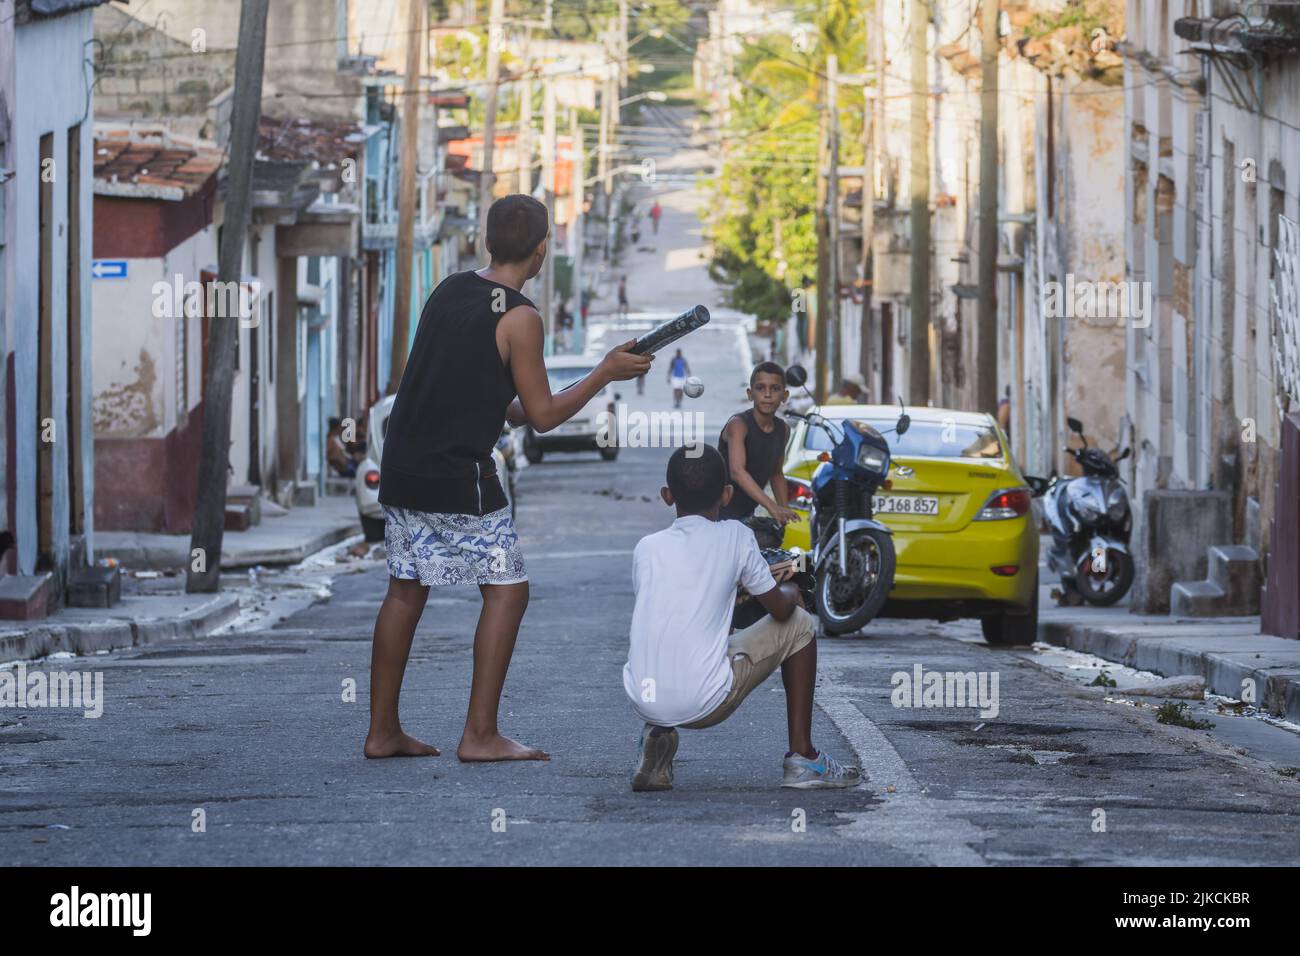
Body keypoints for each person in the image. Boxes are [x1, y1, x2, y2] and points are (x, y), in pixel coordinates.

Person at [366, 194, 651, 763]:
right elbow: (544, 417)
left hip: (402, 464)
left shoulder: (449, 290)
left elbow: (510, 405)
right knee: (508, 592)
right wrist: (604, 372)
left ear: (487, 241)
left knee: (404, 589)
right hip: (457, 473)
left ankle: (383, 731)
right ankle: (479, 735)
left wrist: (568, 386)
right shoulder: (521, 317)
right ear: (542, 249)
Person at [623, 445, 862, 792]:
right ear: (726, 494)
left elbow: (671, 608)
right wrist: (792, 593)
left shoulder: (646, 547)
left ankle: (658, 737)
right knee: (800, 625)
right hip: (703, 702)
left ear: (667, 495)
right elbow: (779, 610)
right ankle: (803, 758)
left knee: (681, 643)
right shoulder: (735, 535)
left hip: (644, 698)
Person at [718, 362, 796, 526]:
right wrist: (772, 507)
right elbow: (737, 472)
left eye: (775, 389)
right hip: (718, 515)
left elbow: (776, 473)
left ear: (785, 396)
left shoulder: (783, 430)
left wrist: (783, 510)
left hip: (747, 515)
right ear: (750, 393)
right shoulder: (738, 425)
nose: (767, 395)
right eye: (760, 388)